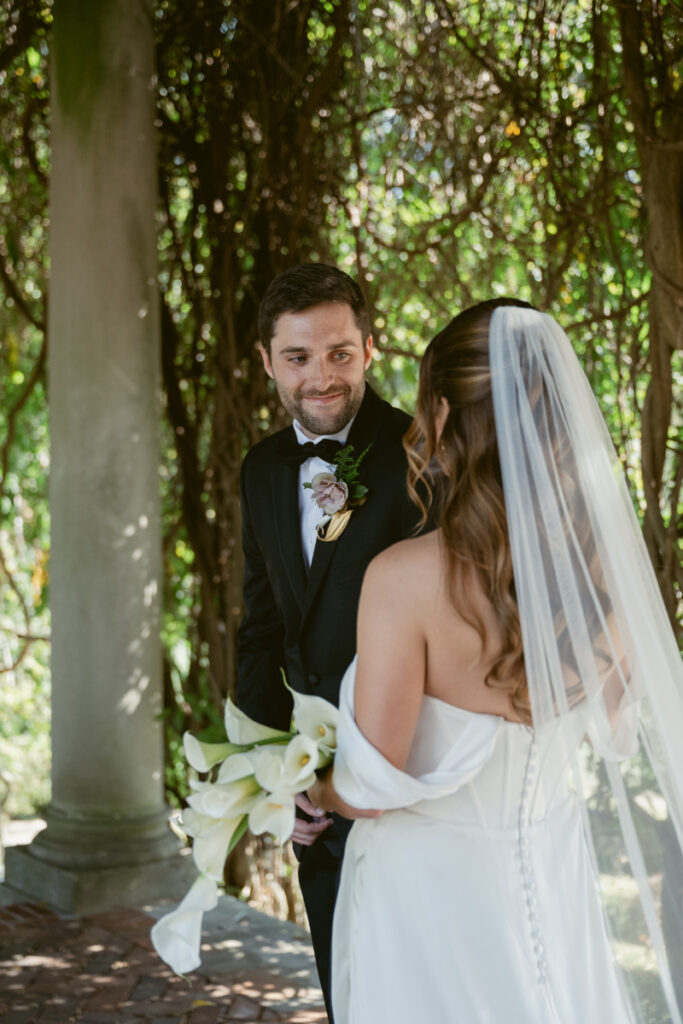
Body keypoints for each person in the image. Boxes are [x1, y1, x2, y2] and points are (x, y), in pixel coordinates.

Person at [309, 300, 683, 1023]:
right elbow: (610, 725)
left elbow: (372, 787)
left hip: (426, 899)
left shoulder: (401, 580)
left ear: (444, 417)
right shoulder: (603, 575)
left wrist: (313, 790)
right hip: (553, 871)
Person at [236, 262, 421, 1017]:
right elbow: (263, 626)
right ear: (266, 362)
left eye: (340, 353)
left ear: (369, 349)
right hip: (310, 793)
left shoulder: (421, 453)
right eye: (298, 357)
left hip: (406, 783)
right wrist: (271, 770)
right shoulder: (259, 469)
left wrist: (374, 776)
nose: (322, 377)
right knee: (345, 987)